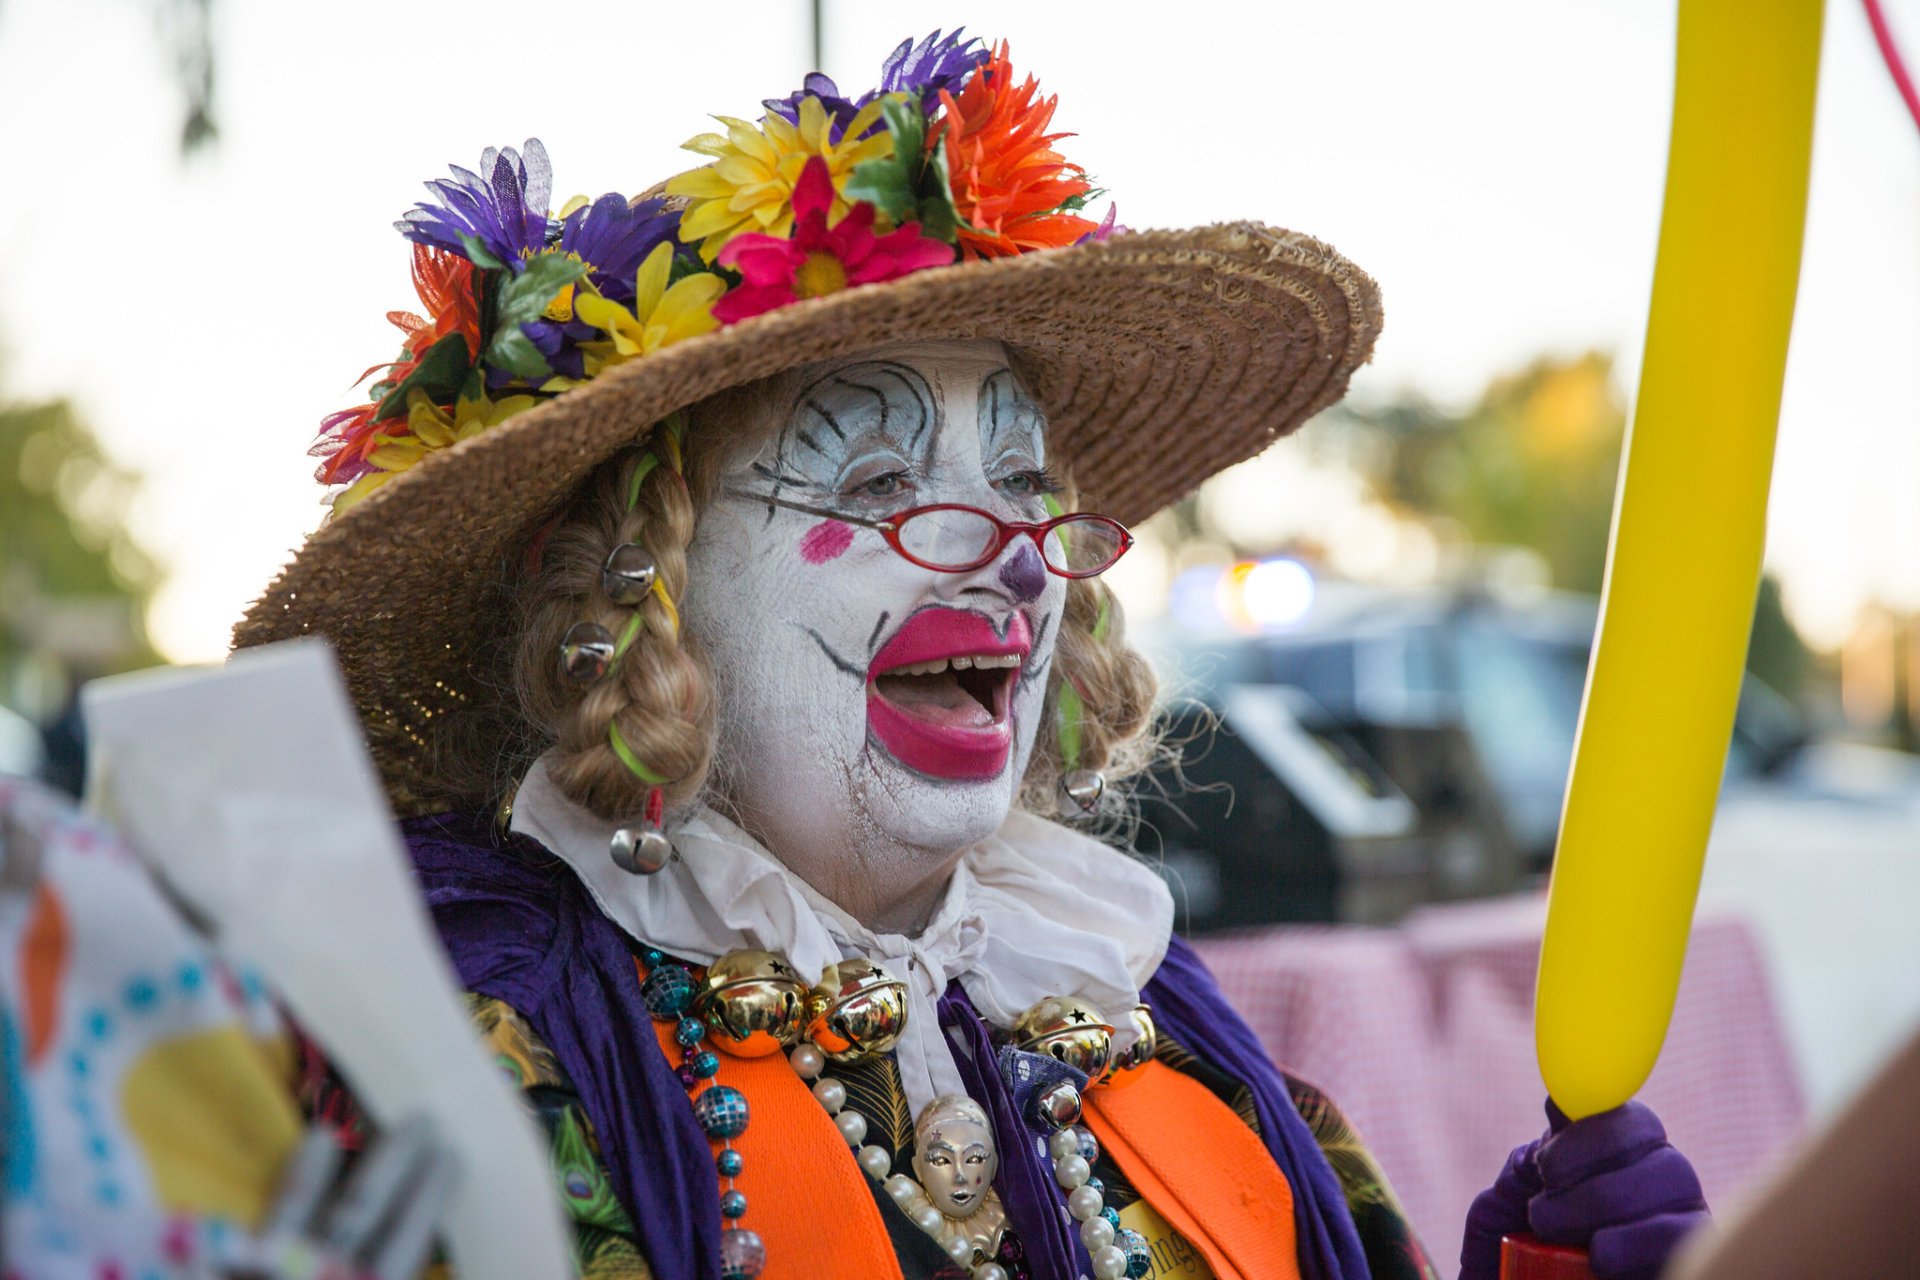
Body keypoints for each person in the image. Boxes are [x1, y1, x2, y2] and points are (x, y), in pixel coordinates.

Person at [237, 31, 1709, 1280]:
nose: (1011, 553)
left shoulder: (1150, 1019)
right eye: (874, 484)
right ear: (641, 588)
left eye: (1026, 487)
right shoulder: (489, 1052)